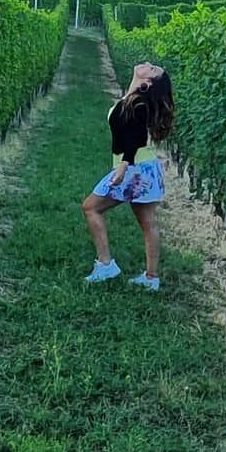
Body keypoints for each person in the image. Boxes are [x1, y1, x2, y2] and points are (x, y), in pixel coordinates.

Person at [81, 61, 175, 290]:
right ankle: (151, 278)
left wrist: (124, 165)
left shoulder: (139, 103)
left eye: (153, 69)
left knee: (91, 207)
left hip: (135, 167)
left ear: (148, 82)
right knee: (147, 222)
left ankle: (106, 265)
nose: (148, 64)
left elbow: (136, 138)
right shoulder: (132, 98)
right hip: (142, 167)